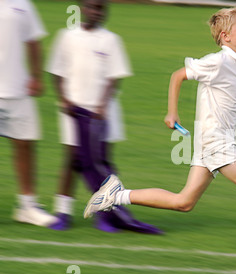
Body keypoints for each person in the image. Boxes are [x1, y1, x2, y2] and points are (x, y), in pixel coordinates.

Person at [84, 7, 236, 274]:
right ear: (225, 36)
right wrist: (172, 112)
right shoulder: (217, 62)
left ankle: (116, 194)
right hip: (214, 140)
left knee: (184, 202)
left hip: (220, 141)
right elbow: (177, 75)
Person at [46, 0, 162, 234]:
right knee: (72, 161)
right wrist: (64, 100)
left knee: (102, 162)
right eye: (90, 6)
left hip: (102, 113)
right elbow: (57, 73)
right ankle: (62, 212)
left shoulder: (110, 40)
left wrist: (101, 105)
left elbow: (113, 78)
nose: (95, 12)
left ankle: (105, 215)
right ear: (81, 8)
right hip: (74, 113)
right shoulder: (67, 37)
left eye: (100, 8)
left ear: (105, 12)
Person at [0, 0, 58, 227]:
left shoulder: (23, 3)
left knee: (26, 145)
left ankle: (27, 207)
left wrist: (36, 76)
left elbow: (33, 41)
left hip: (19, 89)